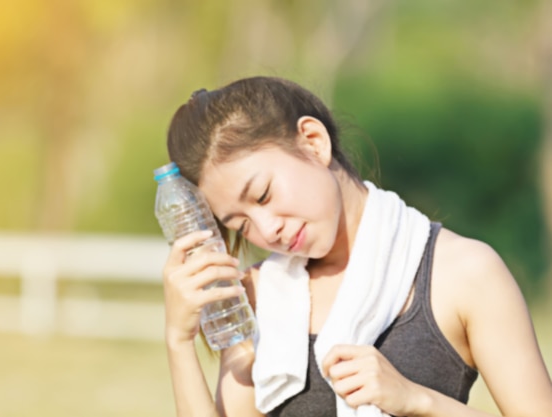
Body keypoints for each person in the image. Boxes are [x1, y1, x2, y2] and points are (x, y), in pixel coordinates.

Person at [160, 76, 552, 417]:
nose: (267, 230)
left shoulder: (464, 272)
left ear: (313, 142)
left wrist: (416, 400)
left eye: (263, 195)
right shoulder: (258, 295)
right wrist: (179, 342)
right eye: (241, 225)